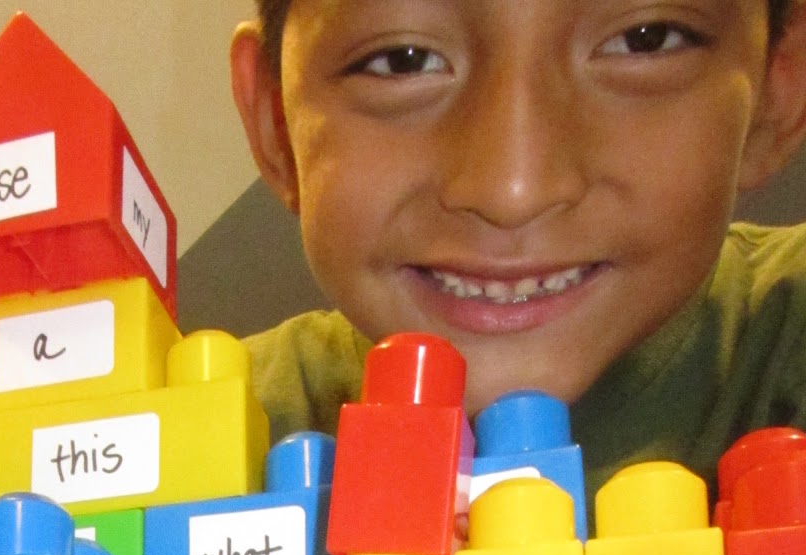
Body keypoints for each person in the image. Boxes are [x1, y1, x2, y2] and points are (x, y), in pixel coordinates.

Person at [231, 0, 806, 499]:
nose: (513, 190)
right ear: (275, 123)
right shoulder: (183, 427)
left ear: (779, 92)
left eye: (642, 41)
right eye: (402, 59)